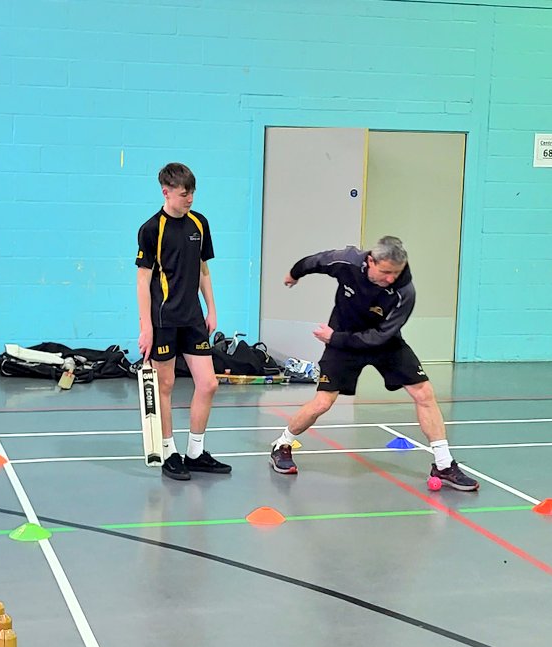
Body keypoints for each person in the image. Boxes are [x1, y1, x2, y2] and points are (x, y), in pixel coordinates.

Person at [270, 236, 478, 491]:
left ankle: (444, 465)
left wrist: (335, 337)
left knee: (424, 392)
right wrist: (294, 274)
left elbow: (380, 336)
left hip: (381, 342)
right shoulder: (347, 261)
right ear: (370, 261)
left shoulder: (405, 292)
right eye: (386, 272)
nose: (391, 278)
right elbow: (314, 262)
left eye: (397, 273)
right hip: (343, 343)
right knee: (323, 402)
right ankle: (282, 444)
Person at [136, 162, 231, 480]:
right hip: (163, 320)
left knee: (209, 383)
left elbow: (204, 269)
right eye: (183, 193)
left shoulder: (199, 224)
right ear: (166, 192)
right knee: (166, 386)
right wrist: (145, 327)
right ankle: (168, 452)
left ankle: (195, 452)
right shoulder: (151, 229)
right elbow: (142, 281)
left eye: (192, 192)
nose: (190, 198)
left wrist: (212, 308)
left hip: (192, 319)